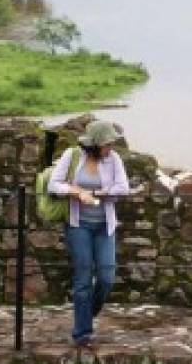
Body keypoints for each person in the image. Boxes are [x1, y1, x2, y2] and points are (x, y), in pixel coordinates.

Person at [47, 120, 131, 346]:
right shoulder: (72, 156)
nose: (110, 148)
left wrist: (97, 192)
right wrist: (75, 191)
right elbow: (53, 185)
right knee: (82, 278)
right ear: (94, 145)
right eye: (107, 144)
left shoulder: (114, 160)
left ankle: (87, 313)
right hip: (78, 225)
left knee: (106, 277)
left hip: (105, 226)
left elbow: (123, 187)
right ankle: (82, 333)